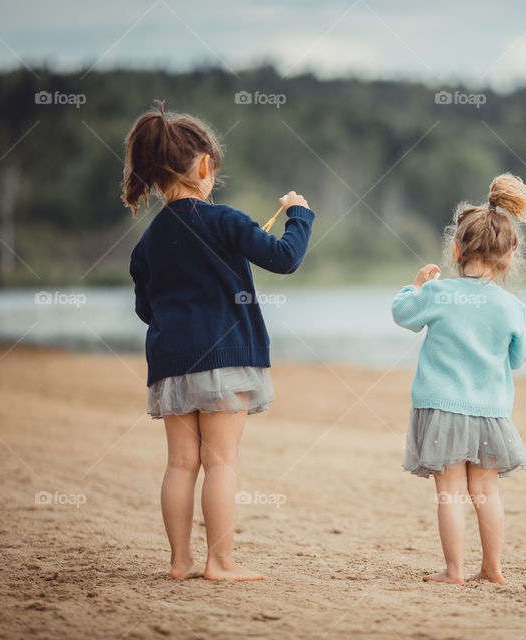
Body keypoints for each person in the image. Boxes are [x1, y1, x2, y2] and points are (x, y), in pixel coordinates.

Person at [124, 101, 315, 581]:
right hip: (226, 360)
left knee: (181, 465)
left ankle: (180, 562)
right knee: (222, 462)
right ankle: (220, 562)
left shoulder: (147, 242)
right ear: (205, 166)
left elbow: (146, 309)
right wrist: (300, 215)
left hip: (172, 364)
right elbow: (286, 258)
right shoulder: (225, 220)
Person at [392, 173, 526, 585]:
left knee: (450, 494)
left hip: (440, 408)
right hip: (489, 412)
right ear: (509, 257)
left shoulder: (439, 295)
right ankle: (492, 568)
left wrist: (414, 286)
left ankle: (454, 571)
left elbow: (403, 315)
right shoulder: (511, 306)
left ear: (456, 249)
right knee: (486, 493)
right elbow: (518, 357)